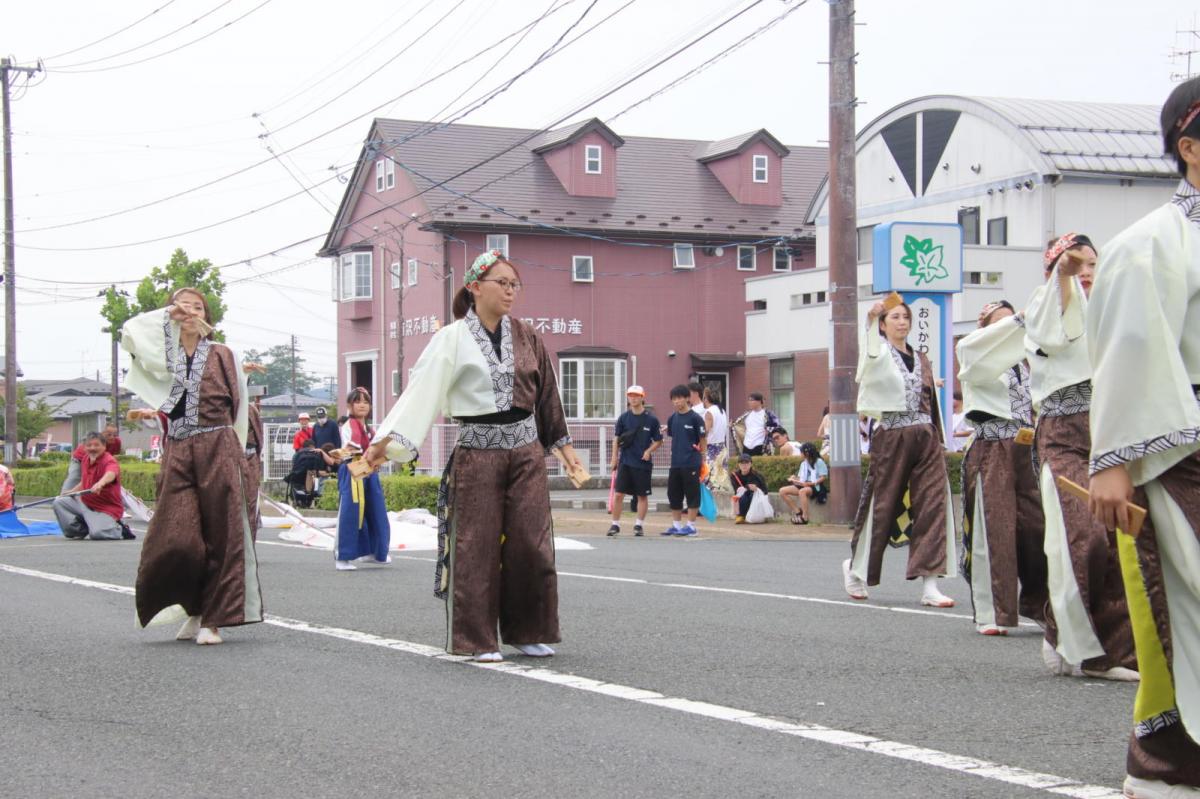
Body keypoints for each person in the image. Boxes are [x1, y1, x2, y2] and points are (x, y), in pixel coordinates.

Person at [364, 250, 582, 663]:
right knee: (476, 545)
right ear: (475, 287)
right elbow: (421, 392)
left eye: (515, 284)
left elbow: (548, 397)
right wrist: (385, 444)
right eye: (502, 283)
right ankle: (477, 638)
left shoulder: (528, 336)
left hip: (526, 452)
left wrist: (566, 452)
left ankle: (528, 630)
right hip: (478, 453)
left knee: (531, 544)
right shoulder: (451, 338)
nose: (510, 291)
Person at [1086, 77, 1200, 797]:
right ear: (1191, 148)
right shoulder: (1150, 243)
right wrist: (1114, 460)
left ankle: (1167, 764)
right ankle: (1165, 766)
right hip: (1184, 453)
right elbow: (1129, 350)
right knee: (1183, 608)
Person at [120, 287, 262, 646]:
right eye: (182, 306)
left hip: (218, 444)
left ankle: (212, 618)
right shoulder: (161, 356)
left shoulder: (223, 353)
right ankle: (192, 606)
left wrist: (239, 455)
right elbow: (129, 334)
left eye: (197, 307)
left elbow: (239, 407)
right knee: (176, 534)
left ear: (207, 317)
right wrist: (166, 317)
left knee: (222, 534)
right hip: (179, 448)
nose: (190, 312)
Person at [1025, 231, 1137, 681]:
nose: (1086, 272)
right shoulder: (1043, 303)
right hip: (1063, 437)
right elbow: (1053, 333)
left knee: (1119, 540)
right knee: (1083, 535)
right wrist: (1063, 277)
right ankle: (1074, 640)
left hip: (1109, 433)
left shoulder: (1108, 306)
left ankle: (1110, 650)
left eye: (1093, 264)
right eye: (1077, 263)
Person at [844, 299, 957, 607]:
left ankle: (930, 583)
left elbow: (929, 400)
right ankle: (856, 568)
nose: (902, 322)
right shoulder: (879, 352)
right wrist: (869, 321)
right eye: (895, 317)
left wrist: (939, 436)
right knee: (883, 505)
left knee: (933, 504)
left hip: (925, 436)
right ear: (883, 325)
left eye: (905, 317)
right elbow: (868, 356)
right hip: (892, 434)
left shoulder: (921, 358)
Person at [955, 300, 1047, 636]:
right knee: (994, 530)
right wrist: (1016, 320)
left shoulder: (1026, 362)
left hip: (1026, 449)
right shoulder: (973, 352)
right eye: (1000, 323)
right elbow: (973, 354)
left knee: (1037, 529)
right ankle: (992, 611)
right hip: (991, 448)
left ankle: (1040, 604)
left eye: (1012, 321)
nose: (1009, 328)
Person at [334, 387, 391, 569]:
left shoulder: (369, 428)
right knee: (351, 513)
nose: (362, 405)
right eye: (357, 401)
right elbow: (354, 448)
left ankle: (374, 552)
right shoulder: (350, 425)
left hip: (368, 471)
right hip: (353, 470)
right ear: (349, 405)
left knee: (376, 511)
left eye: (366, 402)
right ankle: (342, 557)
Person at [53, 431, 131, 541]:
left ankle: (120, 529)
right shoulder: (86, 459)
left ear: (104, 446)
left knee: (98, 534)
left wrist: (101, 483)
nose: (92, 448)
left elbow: (111, 473)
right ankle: (80, 530)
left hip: (105, 508)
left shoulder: (109, 460)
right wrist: (72, 492)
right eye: (89, 445)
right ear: (84, 448)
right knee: (59, 502)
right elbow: (84, 481)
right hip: (86, 503)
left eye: (96, 445)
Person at [607, 385, 662, 537]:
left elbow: (659, 440)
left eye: (637, 395)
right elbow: (616, 439)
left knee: (642, 496)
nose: (633, 398)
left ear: (643, 397)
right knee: (619, 494)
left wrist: (648, 451)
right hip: (625, 461)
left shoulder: (651, 419)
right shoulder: (623, 418)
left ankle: (639, 525)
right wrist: (614, 458)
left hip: (643, 463)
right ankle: (615, 524)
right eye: (631, 395)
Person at [661, 384, 707, 536]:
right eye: (674, 399)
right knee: (674, 494)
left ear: (687, 398)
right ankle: (676, 525)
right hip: (675, 462)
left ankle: (691, 526)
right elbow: (673, 435)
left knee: (692, 494)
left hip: (691, 462)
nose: (676, 401)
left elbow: (703, 439)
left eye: (679, 398)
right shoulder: (672, 418)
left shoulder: (696, 418)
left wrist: (703, 458)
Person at [780, 442, 828, 525]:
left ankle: (805, 517)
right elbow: (801, 478)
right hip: (803, 484)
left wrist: (811, 483)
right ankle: (798, 512)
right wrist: (794, 478)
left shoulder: (819, 462)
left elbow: (823, 477)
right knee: (782, 491)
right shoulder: (803, 463)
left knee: (802, 491)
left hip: (815, 486)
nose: (800, 454)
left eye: (801, 452)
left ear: (807, 453)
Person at [701, 387, 730, 493]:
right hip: (722, 447)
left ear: (706, 399)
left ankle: (708, 502)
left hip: (711, 448)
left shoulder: (709, 412)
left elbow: (705, 431)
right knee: (721, 478)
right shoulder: (721, 410)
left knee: (709, 477)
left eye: (704, 397)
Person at [729, 454, 769, 523]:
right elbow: (737, 490)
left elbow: (765, 491)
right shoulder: (734, 476)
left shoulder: (757, 475)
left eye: (747, 463)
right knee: (743, 496)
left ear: (751, 464)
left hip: (754, 498)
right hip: (742, 498)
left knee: (751, 495)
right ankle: (741, 515)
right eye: (742, 463)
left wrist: (757, 489)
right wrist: (747, 488)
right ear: (739, 464)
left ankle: (757, 515)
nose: (744, 465)